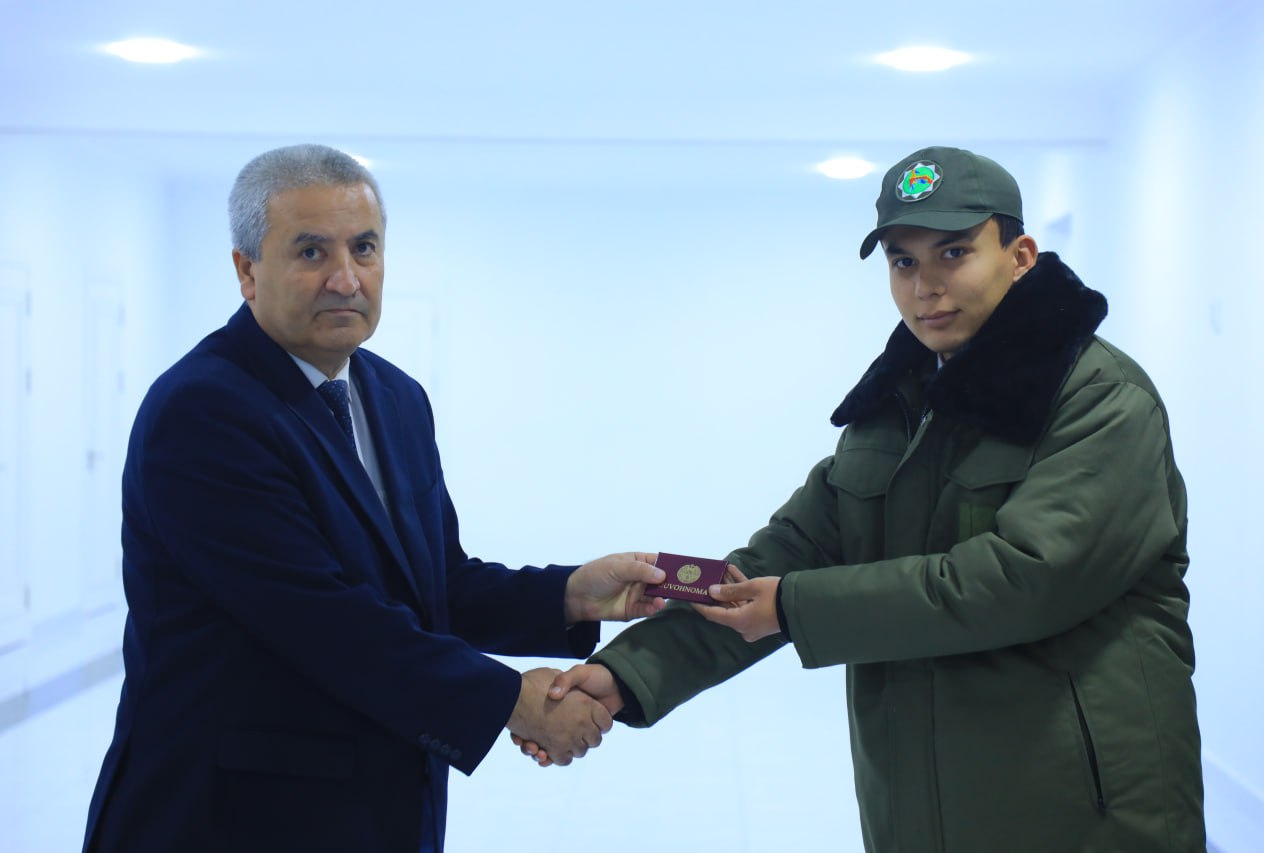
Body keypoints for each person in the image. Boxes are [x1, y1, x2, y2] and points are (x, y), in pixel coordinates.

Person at [527, 146, 1205, 852]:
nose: (926, 286)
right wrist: (623, 673)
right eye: (903, 261)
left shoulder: (1099, 399)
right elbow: (777, 562)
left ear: (1021, 256)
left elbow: (1022, 582)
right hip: (920, 815)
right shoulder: (896, 409)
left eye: (954, 253)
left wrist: (795, 606)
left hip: (1082, 815)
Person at [82, 143, 667, 853]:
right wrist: (513, 701)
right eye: (311, 252)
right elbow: (323, 620)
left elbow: (433, 587)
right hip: (229, 819)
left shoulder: (395, 398)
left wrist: (572, 596)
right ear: (246, 270)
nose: (345, 278)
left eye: (364, 248)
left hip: (378, 812)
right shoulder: (204, 411)